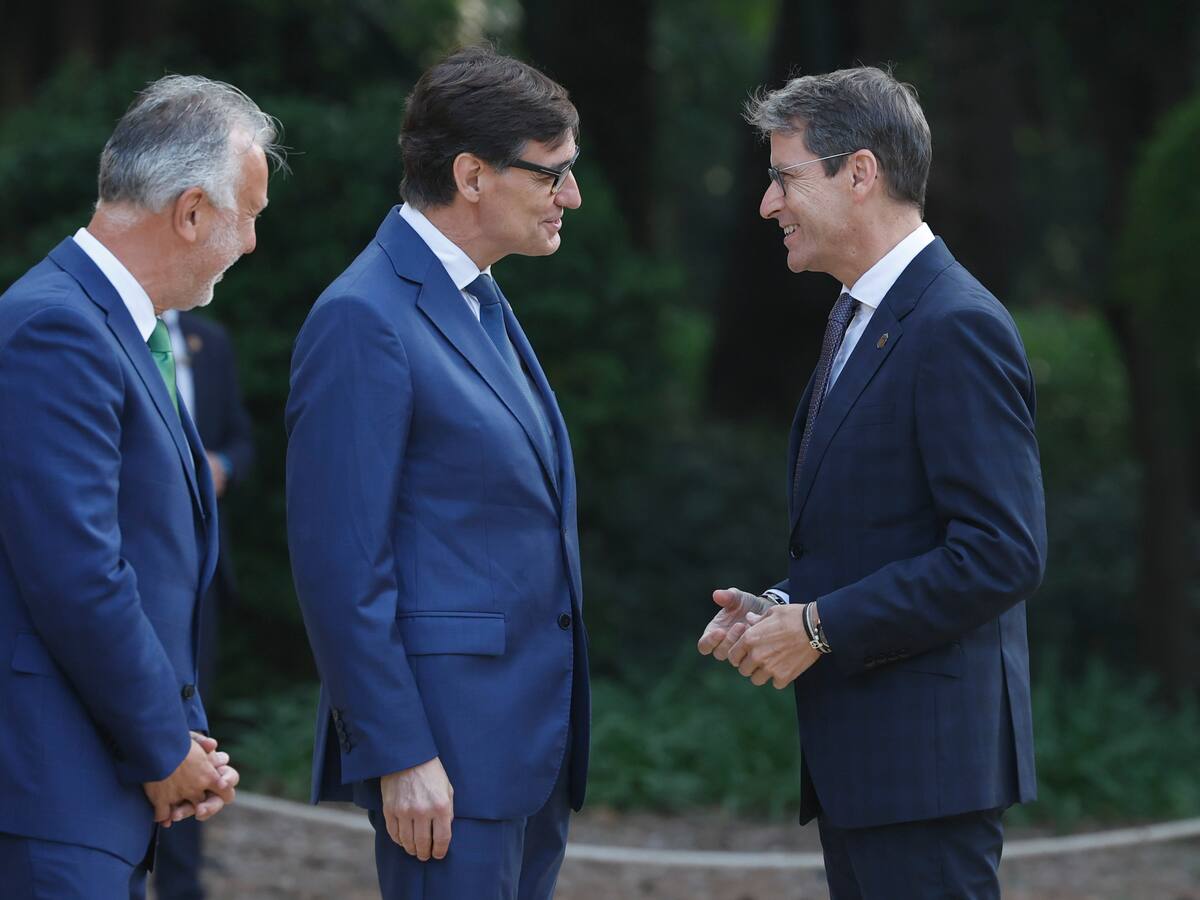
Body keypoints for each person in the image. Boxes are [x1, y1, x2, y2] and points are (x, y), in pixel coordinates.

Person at [697, 66, 1046, 898]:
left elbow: (1003, 553)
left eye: (784, 179)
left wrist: (819, 628)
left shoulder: (956, 324)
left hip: (927, 777)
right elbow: (883, 531)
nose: (768, 204)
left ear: (859, 173)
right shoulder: (861, 315)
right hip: (868, 771)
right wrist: (783, 609)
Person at [286, 45, 590, 899]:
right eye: (552, 173)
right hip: (445, 760)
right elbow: (340, 566)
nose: (571, 195)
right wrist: (399, 752)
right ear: (472, 175)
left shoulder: (480, 297)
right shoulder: (363, 316)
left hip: (526, 748)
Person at [0, 74, 281, 897]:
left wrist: (179, 741)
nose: (251, 245)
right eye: (248, 216)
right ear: (191, 212)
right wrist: (163, 746)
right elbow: (77, 573)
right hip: (52, 790)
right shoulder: (57, 328)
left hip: (94, 784)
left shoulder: (116, 329)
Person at [153, 308, 256, 900]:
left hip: (201, 570)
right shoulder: (107, 330)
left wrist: (225, 466)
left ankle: (181, 885)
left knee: (195, 724)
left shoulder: (209, 339)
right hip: (132, 569)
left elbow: (242, 439)